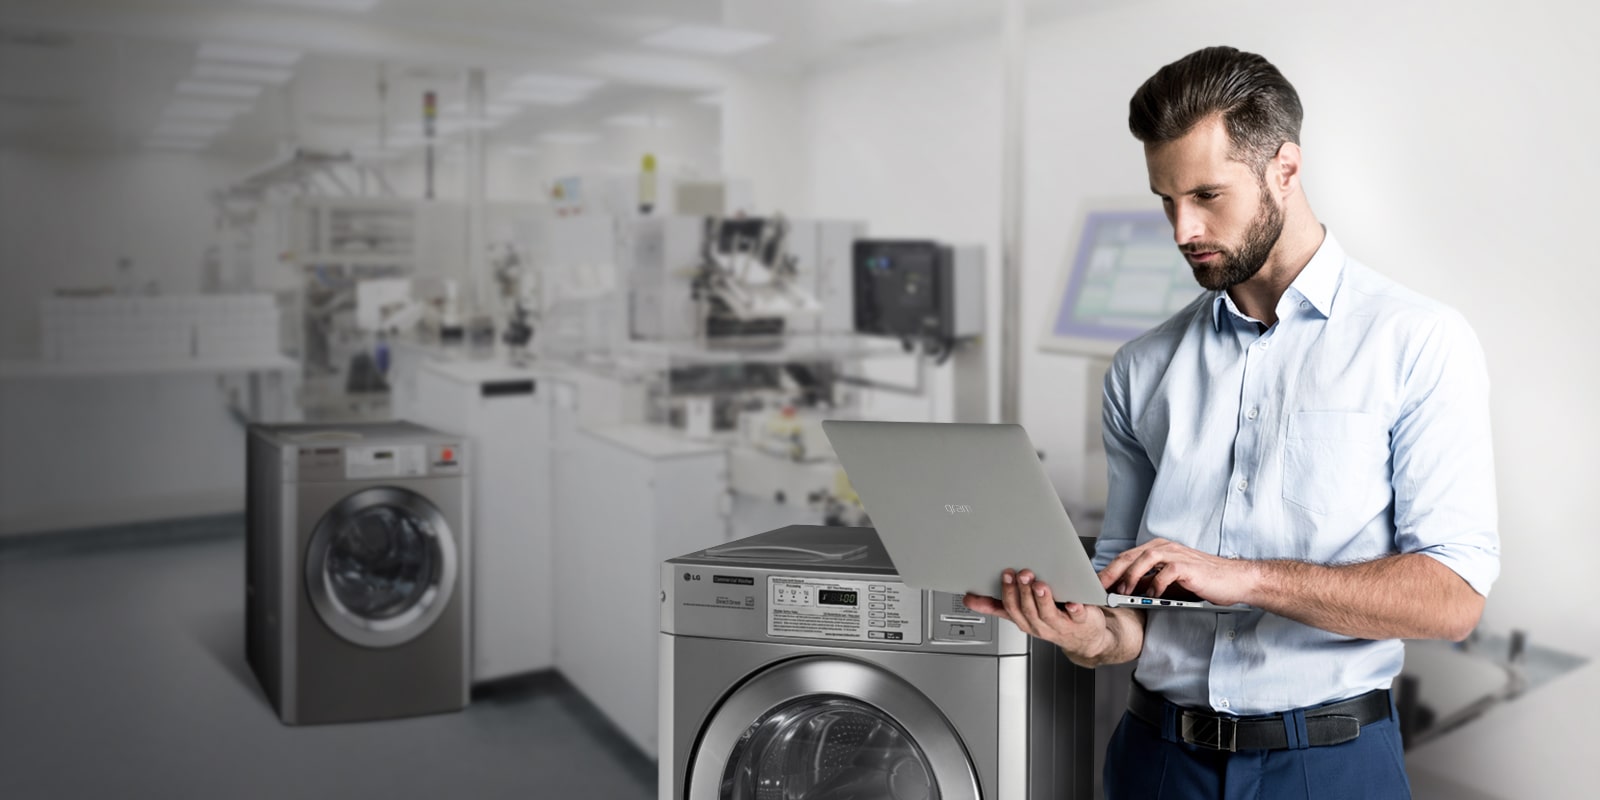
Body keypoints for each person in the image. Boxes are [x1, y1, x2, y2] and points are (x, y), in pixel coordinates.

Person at [962, 45, 1499, 798]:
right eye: (1166, 200)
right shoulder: (1141, 369)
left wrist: (1244, 578)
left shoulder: (1415, 342)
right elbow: (1130, 617)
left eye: (1207, 195)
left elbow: (1453, 596)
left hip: (1329, 763)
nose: (1183, 229)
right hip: (1155, 760)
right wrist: (1090, 636)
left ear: (1285, 168)